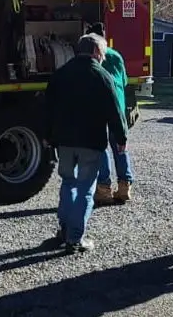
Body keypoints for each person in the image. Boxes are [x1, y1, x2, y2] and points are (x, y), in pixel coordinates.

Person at [43, 33, 128, 254]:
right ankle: (75, 238)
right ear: (96, 52)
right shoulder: (102, 75)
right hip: (91, 141)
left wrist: (46, 135)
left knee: (68, 183)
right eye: (103, 53)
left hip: (64, 142)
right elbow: (115, 111)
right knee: (85, 189)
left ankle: (63, 229)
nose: (103, 57)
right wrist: (121, 139)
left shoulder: (60, 74)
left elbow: (46, 107)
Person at [85, 22, 135, 206]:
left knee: (102, 148)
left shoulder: (93, 57)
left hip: (99, 108)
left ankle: (104, 188)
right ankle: (124, 186)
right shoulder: (116, 55)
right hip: (118, 107)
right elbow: (124, 81)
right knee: (120, 146)